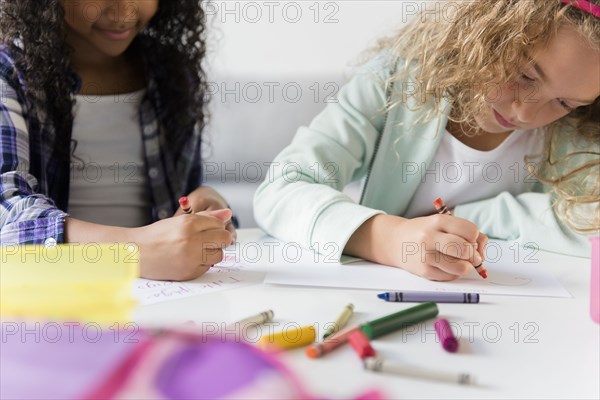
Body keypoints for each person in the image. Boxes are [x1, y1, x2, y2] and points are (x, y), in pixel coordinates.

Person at [254, 0, 600, 281]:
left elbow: (593, 222)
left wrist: (473, 216)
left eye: (565, 102)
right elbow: (282, 190)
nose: (525, 113)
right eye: (524, 76)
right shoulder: (394, 80)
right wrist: (390, 238)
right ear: (489, 29)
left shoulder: (575, 130)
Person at [0, 0, 235, 281]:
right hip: (52, 296)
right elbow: (7, 210)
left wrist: (205, 216)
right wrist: (132, 251)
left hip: (159, 298)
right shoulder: (9, 74)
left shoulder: (170, 73)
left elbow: (181, 205)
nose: (124, 13)